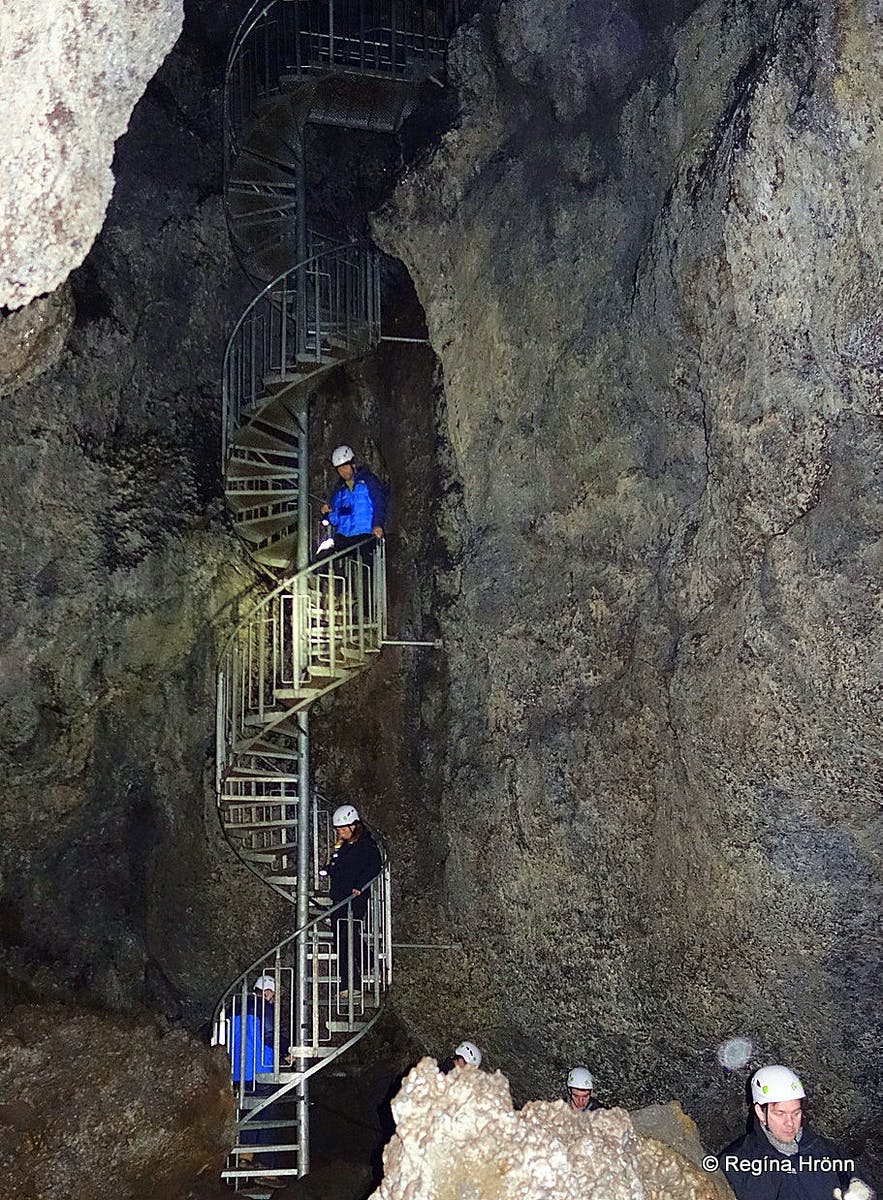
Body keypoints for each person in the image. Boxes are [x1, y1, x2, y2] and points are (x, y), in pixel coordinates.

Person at [719, 1065, 874, 1200]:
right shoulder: (734, 1164)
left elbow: (866, 1192)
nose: (790, 1123)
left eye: (796, 1113)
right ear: (760, 1112)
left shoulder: (829, 1153)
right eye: (780, 1113)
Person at [227, 974, 284, 1189]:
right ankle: (266, 1168)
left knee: (248, 1116)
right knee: (269, 1117)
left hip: (238, 1073)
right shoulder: (264, 1008)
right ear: (268, 991)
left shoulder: (234, 1007)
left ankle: (244, 1160)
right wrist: (286, 1050)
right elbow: (270, 1036)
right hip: (261, 1072)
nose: (274, 999)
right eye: (274, 995)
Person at [321, 804, 382, 1001]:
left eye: (343, 829)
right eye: (338, 829)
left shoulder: (366, 846)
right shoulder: (345, 847)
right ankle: (368, 961)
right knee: (345, 937)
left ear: (354, 826)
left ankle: (351, 984)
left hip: (353, 899)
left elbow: (375, 866)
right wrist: (328, 869)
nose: (340, 832)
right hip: (339, 898)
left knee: (345, 939)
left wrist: (360, 885)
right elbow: (339, 867)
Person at [320, 445, 388, 552]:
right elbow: (336, 519)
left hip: (365, 534)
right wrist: (327, 514)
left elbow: (379, 503)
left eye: (345, 467)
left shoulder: (368, 481)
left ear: (352, 464)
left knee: (366, 563)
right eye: (339, 469)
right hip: (344, 537)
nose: (343, 472)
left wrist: (377, 525)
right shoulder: (339, 491)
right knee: (324, 555)